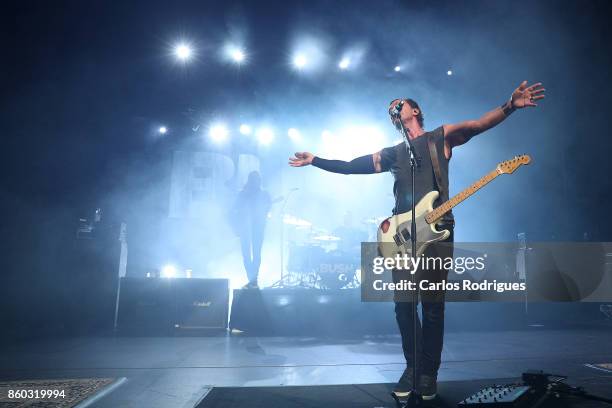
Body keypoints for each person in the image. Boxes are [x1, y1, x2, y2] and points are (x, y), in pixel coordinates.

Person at [288, 80, 545, 399]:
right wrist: (316, 160)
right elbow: (352, 167)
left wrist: (509, 105)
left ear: (415, 110)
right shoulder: (393, 154)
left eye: (400, 104)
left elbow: (478, 125)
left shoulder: (441, 138)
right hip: (402, 238)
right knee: (404, 307)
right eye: (391, 109)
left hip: (439, 232)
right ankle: (412, 368)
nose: (394, 109)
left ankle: (429, 374)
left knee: (433, 307)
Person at [232, 171, 271, 288]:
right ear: (250, 181)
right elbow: (234, 210)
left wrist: (262, 213)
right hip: (245, 229)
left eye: (258, 180)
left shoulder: (264, 194)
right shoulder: (242, 194)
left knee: (256, 254)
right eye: (254, 180)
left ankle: (254, 279)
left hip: (258, 229)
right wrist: (236, 227)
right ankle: (252, 279)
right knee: (246, 255)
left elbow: (268, 209)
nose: (257, 182)